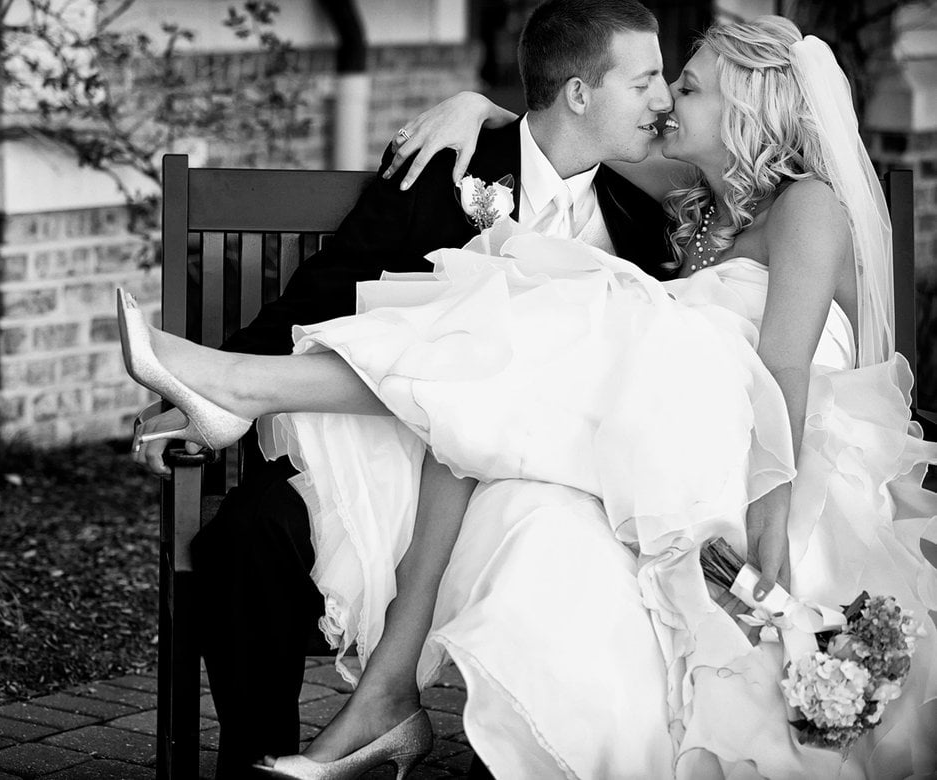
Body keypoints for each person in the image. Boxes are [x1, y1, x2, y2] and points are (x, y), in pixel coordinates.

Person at [125, 12, 937, 778]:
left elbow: (784, 373)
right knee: (493, 406)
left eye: (683, 85)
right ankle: (387, 690)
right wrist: (481, 104)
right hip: (646, 429)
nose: (663, 101)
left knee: (551, 321)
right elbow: (562, 123)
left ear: (747, 106)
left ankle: (238, 389)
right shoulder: (694, 203)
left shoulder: (802, 207)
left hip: (739, 442)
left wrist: (774, 530)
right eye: (660, 81)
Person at [135, 2, 676, 777]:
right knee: (243, 540)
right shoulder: (445, 164)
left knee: (571, 577)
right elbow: (319, 293)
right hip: (391, 456)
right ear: (581, 94)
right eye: (648, 77)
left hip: (530, 497)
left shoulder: (643, 219)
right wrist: (190, 402)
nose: (661, 98)